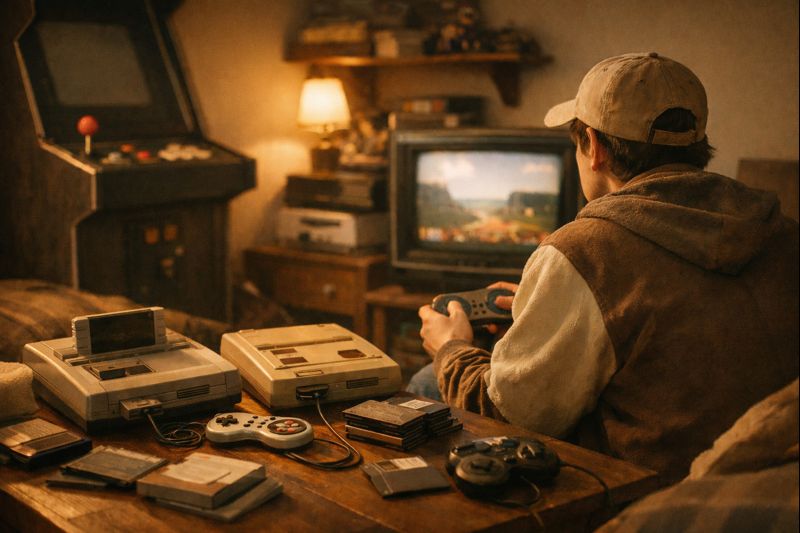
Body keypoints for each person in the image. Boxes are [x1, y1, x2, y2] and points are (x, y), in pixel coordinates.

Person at [415, 52, 799, 483]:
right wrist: (541, 309)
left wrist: (450, 349)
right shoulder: (781, 231)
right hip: (763, 481)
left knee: (427, 381)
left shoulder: (586, 251)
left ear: (593, 147)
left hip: (637, 490)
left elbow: (510, 413)